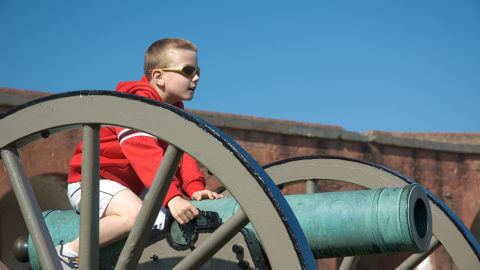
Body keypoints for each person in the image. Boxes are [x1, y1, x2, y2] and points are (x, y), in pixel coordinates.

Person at [56, 38, 224, 269]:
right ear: (158, 77)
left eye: (197, 71)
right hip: (95, 181)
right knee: (136, 216)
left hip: (132, 186)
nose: (195, 77)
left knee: (168, 221)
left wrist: (194, 189)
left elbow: (181, 154)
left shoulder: (175, 110)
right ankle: (68, 253)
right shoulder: (134, 104)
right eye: (188, 71)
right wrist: (172, 197)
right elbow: (142, 152)